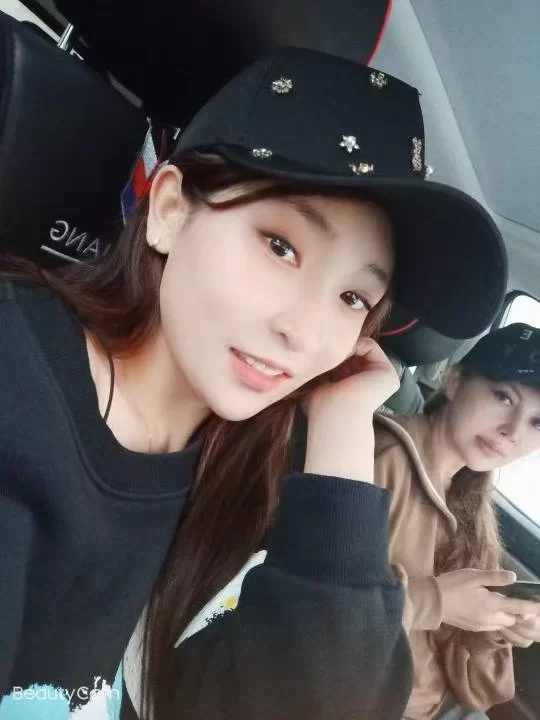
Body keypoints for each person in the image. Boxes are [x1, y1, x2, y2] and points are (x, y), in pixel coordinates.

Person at [0, 48, 507, 720]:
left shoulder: (247, 463)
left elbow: (320, 702)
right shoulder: (16, 384)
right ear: (170, 210)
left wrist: (343, 424)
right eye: (280, 246)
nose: (305, 331)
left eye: (353, 298)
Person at [373, 323, 540, 719]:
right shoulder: (378, 459)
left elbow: (455, 648)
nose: (512, 431)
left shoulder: (471, 493)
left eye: (538, 423)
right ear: (454, 381)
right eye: (503, 397)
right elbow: (314, 619)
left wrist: (496, 624)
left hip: (437, 699)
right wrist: (436, 601)